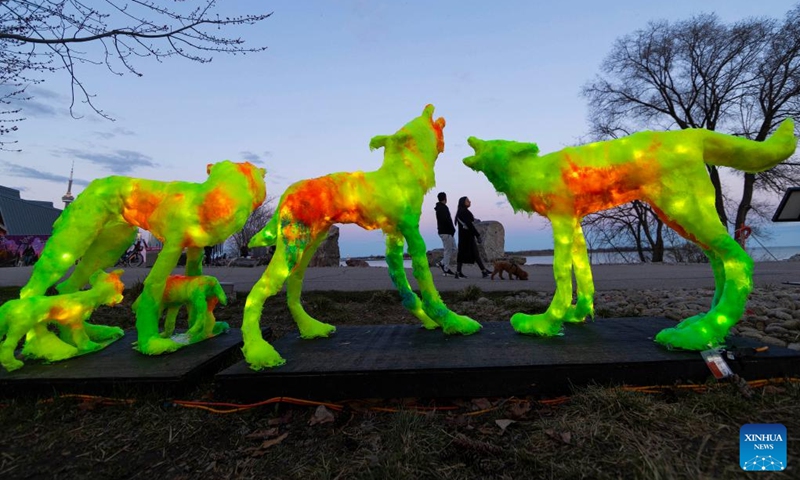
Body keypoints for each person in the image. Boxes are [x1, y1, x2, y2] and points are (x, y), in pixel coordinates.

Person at [454, 196, 491, 279]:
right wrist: (477, 235)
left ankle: (483, 270)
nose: (469, 201)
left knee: (470, 253)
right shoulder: (464, 212)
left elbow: (469, 222)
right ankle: (482, 271)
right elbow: (469, 224)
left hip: (464, 236)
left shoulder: (462, 211)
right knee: (469, 253)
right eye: (467, 201)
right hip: (467, 236)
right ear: (463, 202)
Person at [434, 192, 456, 276]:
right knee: (447, 251)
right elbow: (447, 220)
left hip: (447, 232)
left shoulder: (440, 208)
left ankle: (442, 263)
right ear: (445, 198)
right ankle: (446, 269)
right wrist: (452, 229)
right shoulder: (442, 208)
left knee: (453, 248)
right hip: (446, 232)